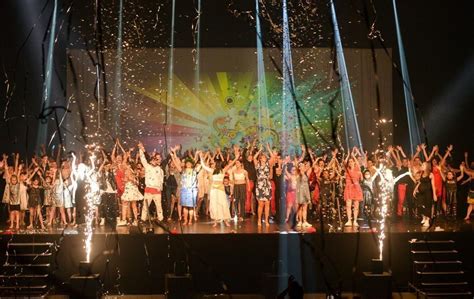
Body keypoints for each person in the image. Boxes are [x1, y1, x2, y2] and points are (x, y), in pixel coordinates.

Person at [200, 149, 238, 227]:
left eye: (215, 163)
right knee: (214, 204)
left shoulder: (223, 170)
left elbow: (231, 164)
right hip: (214, 190)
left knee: (223, 204)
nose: (214, 164)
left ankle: (225, 220)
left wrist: (236, 158)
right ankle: (215, 221)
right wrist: (201, 157)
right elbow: (203, 166)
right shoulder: (212, 171)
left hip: (220, 189)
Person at [170, 146, 200, 225]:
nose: (188, 164)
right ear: (186, 164)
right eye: (187, 163)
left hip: (192, 190)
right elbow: (176, 164)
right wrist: (173, 156)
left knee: (191, 207)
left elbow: (196, 161)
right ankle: (185, 220)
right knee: (185, 206)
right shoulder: (182, 171)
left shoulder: (194, 171)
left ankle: (190, 220)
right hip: (184, 190)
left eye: (190, 163)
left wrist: (196, 154)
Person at [138, 142, 164, 222]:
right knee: (145, 206)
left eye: (156, 160)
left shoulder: (160, 169)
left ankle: (160, 218)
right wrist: (140, 149)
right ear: (151, 160)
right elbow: (142, 158)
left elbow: (161, 180)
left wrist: (160, 188)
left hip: (157, 190)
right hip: (148, 189)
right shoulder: (147, 166)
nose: (154, 161)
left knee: (158, 206)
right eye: (153, 160)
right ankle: (143, 218)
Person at [343, 149, 363, 227]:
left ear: (354, 162)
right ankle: (349, 220)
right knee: (348, 205)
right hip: (348, 188)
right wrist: (348, 155)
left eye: (351, 161)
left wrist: (354, 156)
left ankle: (355, 220)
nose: (350, 162)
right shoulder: (347, 170)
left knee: (356, 205)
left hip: (356, 188)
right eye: (349, 161)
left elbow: (358, 163)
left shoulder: (357, 169)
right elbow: (344, 163)